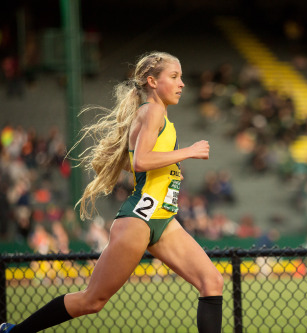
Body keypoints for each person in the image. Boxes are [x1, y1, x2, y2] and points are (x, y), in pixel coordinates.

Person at [0, 51, 223, 333]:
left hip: (163, 219)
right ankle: (15, 332)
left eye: (181, 77)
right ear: (152, 81)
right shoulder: (152, 111)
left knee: (212, 282)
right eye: (175, 77)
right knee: (92, 301)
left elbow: (135, 164)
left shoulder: (158, 115)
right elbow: (142, 160)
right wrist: (188, 152)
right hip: (139, 220)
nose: (182, 84)